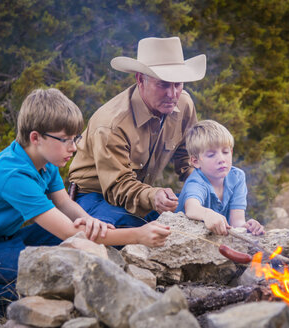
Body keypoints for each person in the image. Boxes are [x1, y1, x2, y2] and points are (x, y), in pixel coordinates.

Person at [0, 88, 170, 327]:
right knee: (52, 273)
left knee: (67, 250)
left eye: (75, 138)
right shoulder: (13, 176)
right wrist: (139, 236)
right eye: (65, 139)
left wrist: (89, 220)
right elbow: (68, 232)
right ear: (36, 137)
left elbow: (64, 203)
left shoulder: (45, 162)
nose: (73, 147)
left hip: (0, 240)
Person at [68, 36, 206, 229]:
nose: (172, 94)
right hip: (95, 195)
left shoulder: (184, 104)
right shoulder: (111, 124)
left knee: (189, 221)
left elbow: (188, 158)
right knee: (129, 225)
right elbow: (117, 186)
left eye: (178, 84)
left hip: (140, 193)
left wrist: (205, 188)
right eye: (163, 84)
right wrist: (153, 196)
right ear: (141, 79)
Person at [176, 120, 264, 236]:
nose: (221, 159)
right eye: (211, 155)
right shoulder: (196, 181)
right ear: (195, 161)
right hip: (189, 238)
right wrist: (207, 214)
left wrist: (248, 227)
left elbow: (237, 222)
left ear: (231, 152)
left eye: (225, 152)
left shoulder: (237, 177)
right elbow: (192, 208)